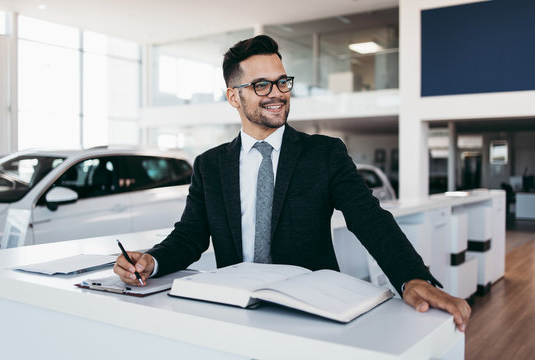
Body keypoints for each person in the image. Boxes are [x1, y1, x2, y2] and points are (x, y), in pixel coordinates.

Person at [114, 35, 471, 331]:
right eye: (261, 84)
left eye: (283, 81)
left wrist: (412, 278)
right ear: (233, 96)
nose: (278, 93)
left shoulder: (324, 154)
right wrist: (152, 260)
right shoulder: (210, 165)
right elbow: (190, 236)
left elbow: (370, 218)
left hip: (311, 312)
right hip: (234, 310)